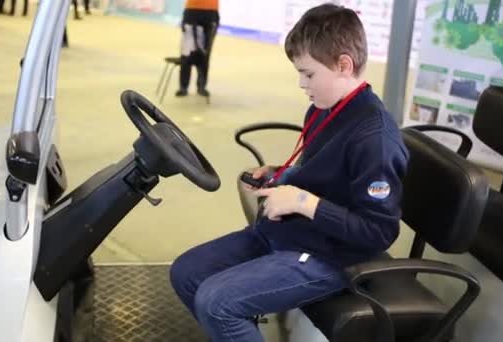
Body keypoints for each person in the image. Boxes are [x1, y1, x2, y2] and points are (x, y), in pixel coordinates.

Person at [169, 4, 409, 341]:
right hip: (291, 233)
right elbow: (323, 171)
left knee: (216, 301)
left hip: (333, 255)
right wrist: (280, 174)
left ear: (344, 65)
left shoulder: (375, 139)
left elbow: (377, 232)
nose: (301, 83)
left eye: (308, 74)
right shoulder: (325, 107)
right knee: (187, 272)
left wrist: (301, 201)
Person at [175, 0, 219, 97]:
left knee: (205, 52)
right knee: (186, 52)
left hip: (210, 12)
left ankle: (201, 86)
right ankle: (183, 86)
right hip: (192, 10)